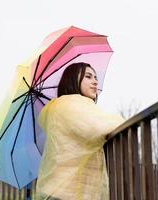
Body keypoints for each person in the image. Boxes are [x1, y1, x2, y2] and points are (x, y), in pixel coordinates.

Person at [36, 62, 124, 200]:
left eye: (95, 77)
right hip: (67, 192)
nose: (95, 82)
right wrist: (124, 122)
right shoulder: (70, 104)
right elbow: (100, 126)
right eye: (88, 77)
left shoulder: (61, 106)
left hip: (60, 190)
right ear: (73, 79)